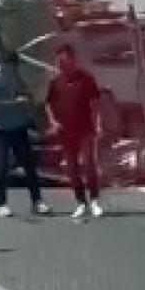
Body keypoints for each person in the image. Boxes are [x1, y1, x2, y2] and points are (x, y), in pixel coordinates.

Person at [0, 50, 48, 217]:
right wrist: (15, 103)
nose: (14, 70)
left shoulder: (15, 78)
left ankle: (37, 201)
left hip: (18, 126)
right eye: (12, 66)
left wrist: (29, 99)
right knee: (1, 166)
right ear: (4, 65)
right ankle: (1, 204)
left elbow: (25, 93)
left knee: (29, 165)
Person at [46, 44, 103, 219]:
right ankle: (80, 202)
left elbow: (95, 103)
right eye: (58, 61)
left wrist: (98, 123)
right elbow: (48, 104)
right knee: (71, 168)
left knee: (88, 163)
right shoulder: (55, 83)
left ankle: (94, 201)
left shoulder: (86, 79)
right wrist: (53, 122)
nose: (61, 64)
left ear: (72, 59)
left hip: (85, 129)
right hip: (66, 132)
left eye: (64, 60)